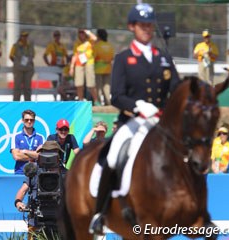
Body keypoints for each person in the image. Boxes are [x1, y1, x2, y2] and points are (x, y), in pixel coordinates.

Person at [89, 2, 180, 234]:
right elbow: (116, 96)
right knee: (111, 156)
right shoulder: (123, 58)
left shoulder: (163, 58)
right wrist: (138, 106)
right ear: (132, 27)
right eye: (142, 25)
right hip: (133, 121)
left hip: (161, 123)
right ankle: (100, 212)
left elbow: (176, 90)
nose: (147, 29)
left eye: (150, 24)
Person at [69, 29, 100, 105]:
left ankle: (96, 101)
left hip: (89, 63)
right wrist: (72, 67)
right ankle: (80, 100)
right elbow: (75, 55)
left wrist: (88, 32)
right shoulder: (77, 43)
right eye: (80, 32)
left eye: (82, 32)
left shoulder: (90, 41)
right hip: (79, 64)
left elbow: (96, 39)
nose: (81, 34)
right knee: (79, 84)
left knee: (91, 84)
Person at [11, 109, 45, 174]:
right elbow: (16, 156)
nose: (29, 122)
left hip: (36, 173)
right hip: (20, 172)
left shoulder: (40, 137)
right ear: (22, 121)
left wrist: (25, 151)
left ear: (34, 121)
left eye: (31, 120)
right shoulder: (16, 136)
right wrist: (34, 155)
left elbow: (40, 156)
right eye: (26, 120)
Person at [9, 31, 35, 101]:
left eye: (26, 36)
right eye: (23, 36)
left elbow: (32, 56)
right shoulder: (16, 46)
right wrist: (17, 63)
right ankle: (16, 103)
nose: (25, 38)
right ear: (20, 37)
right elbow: (11, 56)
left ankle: (27, 103)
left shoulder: (30, 46)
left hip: (28, 70)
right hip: (18, 70)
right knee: (17, 87)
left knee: (27, 88)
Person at [93, 29, 115, 105]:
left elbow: (93, 57)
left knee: (98, 87)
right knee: (107, 87)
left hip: (98, 69)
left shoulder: (97, 46)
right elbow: (112, 57)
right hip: (108, 69)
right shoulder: (110, 45)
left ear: (98, 36)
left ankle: (98, 103)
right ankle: (108, 102)